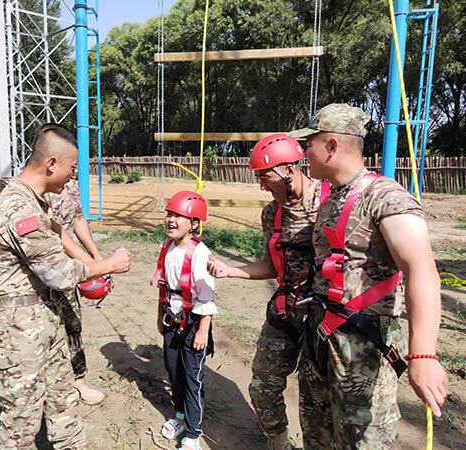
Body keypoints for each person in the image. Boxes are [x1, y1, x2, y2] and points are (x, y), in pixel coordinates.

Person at [287, 104, 447, 448]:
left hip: (364, 346)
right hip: (322, 338)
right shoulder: (330, 197)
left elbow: (421, 270)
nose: (303, 153)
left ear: (331, 146)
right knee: (317, 434)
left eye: (309, 144)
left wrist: (423, 355)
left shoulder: (385, 197)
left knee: (363, 442)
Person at [0, 123, 131, 449]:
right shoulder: (21, 209)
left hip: (42, 323)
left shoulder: (35, 202)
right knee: (20, 427)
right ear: (51, 164)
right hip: (18, 334)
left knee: (63, 403)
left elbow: (63, 233)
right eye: (71, 168)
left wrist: (94, 260)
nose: (71, 176)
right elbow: (60, 273)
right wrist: (109, 265)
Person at [207, 134, 329, 450]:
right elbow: (271, 266)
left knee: (317, 400)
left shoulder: (329, 203)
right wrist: (230, 270)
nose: (262, 186)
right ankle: (279, 444)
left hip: (325, 318)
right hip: (287, 310)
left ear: (289, 169)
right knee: (263, 387)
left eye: (266, 177)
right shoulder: (271, 213)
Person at [151, 191, 217, 450]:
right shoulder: (166, 247)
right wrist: (160, 317)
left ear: (194, 223)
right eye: (169, 214)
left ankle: (193, 432)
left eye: (178, 215)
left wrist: (203, 331)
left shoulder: (201, 253)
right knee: (173, 369)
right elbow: (163, 285)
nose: (171, 220)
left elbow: (207, 298)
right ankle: (180, 414)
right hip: (171, 317)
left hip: (193, 323)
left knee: (192, 377)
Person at [46, 178, 107, 405]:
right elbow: (56, 232)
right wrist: (94, 266)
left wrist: (96, 257)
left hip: (68, 270)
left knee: (73, 323)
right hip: (42, 271)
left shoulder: (70, 185)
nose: (75, 171)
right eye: (72, 165)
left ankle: (78, 381)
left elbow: (79, 219)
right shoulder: (35, 188)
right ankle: (49, 386)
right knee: (46, 330)